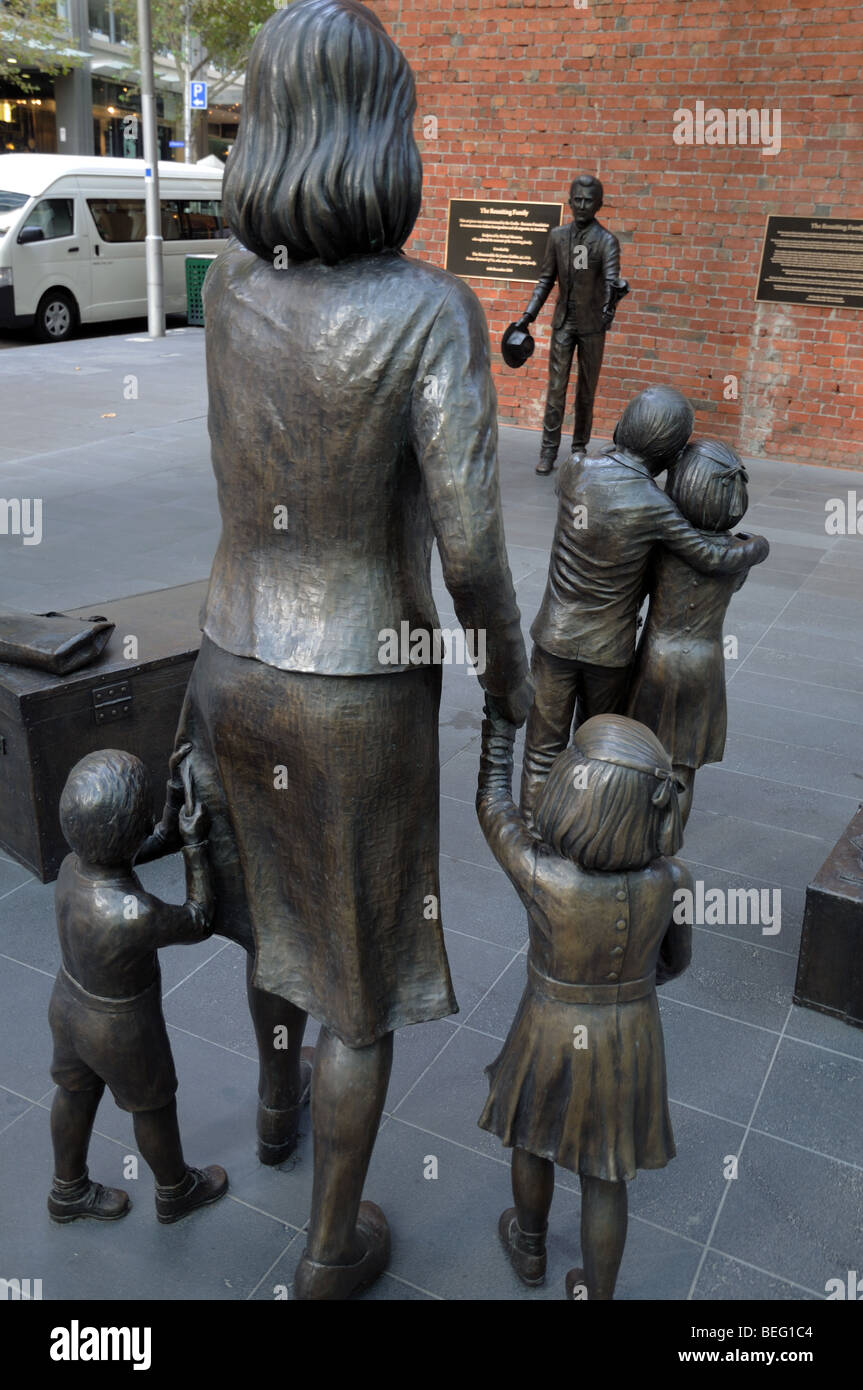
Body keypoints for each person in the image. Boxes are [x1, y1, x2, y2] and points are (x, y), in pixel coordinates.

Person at [150, 0, 531, 1300]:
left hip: (226, 655)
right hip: (357, 682)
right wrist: (514, 676)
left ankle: (270, 1108)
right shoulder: (429, 314)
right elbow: (474, 549)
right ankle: (327, 1250)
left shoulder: (230, 295)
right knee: (355, 973)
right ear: (384, 131)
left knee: (268, 916)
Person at [477, 708, 692, 1299]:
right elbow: (674, 964)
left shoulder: (543, 874)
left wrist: (500, 726)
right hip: (634, 1032)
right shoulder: (672, 878)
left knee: (531, 1136)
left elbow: (494, 807)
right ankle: (599, 1294)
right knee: (608, 1172)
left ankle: (529, 1245)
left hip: (548, 1026)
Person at [519, 385, 770, 826]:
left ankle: (532, 828)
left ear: (622, 426)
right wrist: (756, 546)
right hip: (608, 652)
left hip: (554, 636)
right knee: (598, 747)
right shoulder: (655, 505)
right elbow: (712, 557)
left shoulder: (575, 469)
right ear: (671, 457)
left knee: (542, 747)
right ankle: (585, 828)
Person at [47, 750, 228, 1225]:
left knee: (74, 1091)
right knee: (153, 1105)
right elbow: (198, 919)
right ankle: (176, 1188)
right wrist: (193, 845)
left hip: (67, 1005)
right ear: (131, 831)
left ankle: (67, 1189)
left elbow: (140, 846)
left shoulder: (72, 866)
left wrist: (170, 806)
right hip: (120, 1029)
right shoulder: (133, 914)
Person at [627, 439, 756, 825]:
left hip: (657, 658)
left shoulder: (663, 545)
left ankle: (635, 833)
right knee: (683, 767)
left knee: (641, 754)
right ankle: (670, 841)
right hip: (704, 665)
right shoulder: (738, 555)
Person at [514, 174, 625, 474]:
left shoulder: (606, 242)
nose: (582, 205)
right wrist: (528, 316)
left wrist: (613, 298)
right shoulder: (557, 237)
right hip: (563, 323)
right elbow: (545, 280)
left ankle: (578, 450)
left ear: (599, 204)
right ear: (569, 200)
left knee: (586, 392)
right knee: (556, 389)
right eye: (577, 199)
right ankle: (548, 451)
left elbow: (612, 280)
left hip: (592, 326)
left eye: (589, 200)